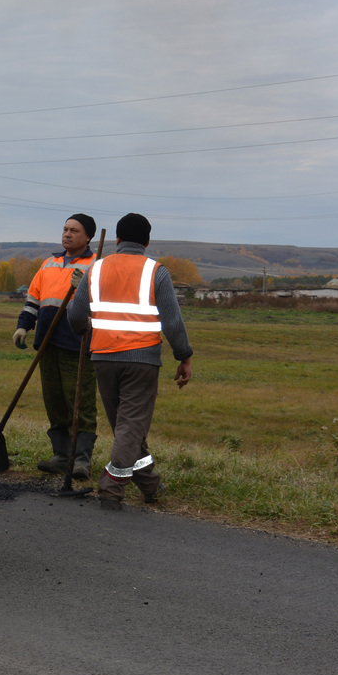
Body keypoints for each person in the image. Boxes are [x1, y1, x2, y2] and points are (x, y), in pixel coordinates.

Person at [67, 213, 194, 510]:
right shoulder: (156, 272)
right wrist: (184, 356)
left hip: (102, 357)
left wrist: (85, 330)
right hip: (142, 360)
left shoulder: (95, 269)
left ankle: (150, 483)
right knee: (131, 426)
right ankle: (111, 486)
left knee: (126, 427)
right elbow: (172, 322)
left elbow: (75, 315)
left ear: (118, 240)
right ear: (147, 242)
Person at [12, 214, 100, 477]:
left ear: (88, 237)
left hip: (78, 342)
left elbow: (101, 303)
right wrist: (23, 325)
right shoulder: (49, 263)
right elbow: (34, 299)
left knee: (79, 401)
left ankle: (81, 459)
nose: (67, 234)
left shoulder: (97, 266)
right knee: (54, 400)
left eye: (74, 230)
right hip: (48, 341)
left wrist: (83, 287)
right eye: (65, 229)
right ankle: (61, 456)